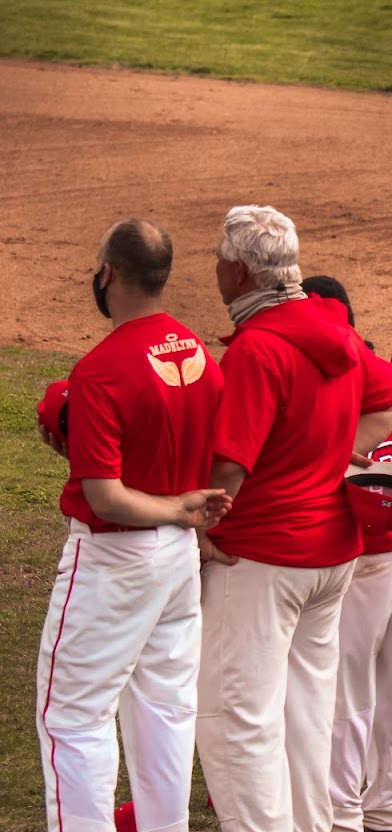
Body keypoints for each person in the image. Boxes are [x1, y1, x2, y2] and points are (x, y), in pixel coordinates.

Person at [197, 205, 392, 832]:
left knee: (240, 718)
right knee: (306, 714)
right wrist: (336, 453)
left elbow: (228, 470)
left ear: (238, 272)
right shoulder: (331, 327)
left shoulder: (257, 348)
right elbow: (391, 400)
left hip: (263, 555)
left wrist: (198, 527)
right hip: (332, 552)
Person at [34, 219, 228, 832]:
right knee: (165, 709)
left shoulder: (99, 370)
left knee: (72, 715)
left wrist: (175, 508)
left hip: (115, 561)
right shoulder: (197, 351)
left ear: (110, 273)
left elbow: (107, 497)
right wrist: (182, 519)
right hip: (175, 565)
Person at [304, 276, 392, 832]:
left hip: (369, 559)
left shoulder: (338, 388)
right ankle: (387, 806)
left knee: (350, 688)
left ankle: (342, 810)